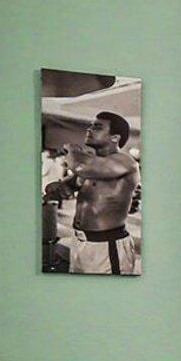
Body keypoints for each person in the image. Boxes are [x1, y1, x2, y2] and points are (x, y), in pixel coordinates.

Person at [44, 111, 140, 274]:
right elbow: (61, 187)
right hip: (79, 242)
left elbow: (82, 167)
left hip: (106, 245)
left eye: (97, 127)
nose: (89, 130)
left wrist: (71, 149)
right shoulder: (92, 166)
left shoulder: (124, 162)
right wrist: (58, 189)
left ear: (115, 138)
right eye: (90, 126)